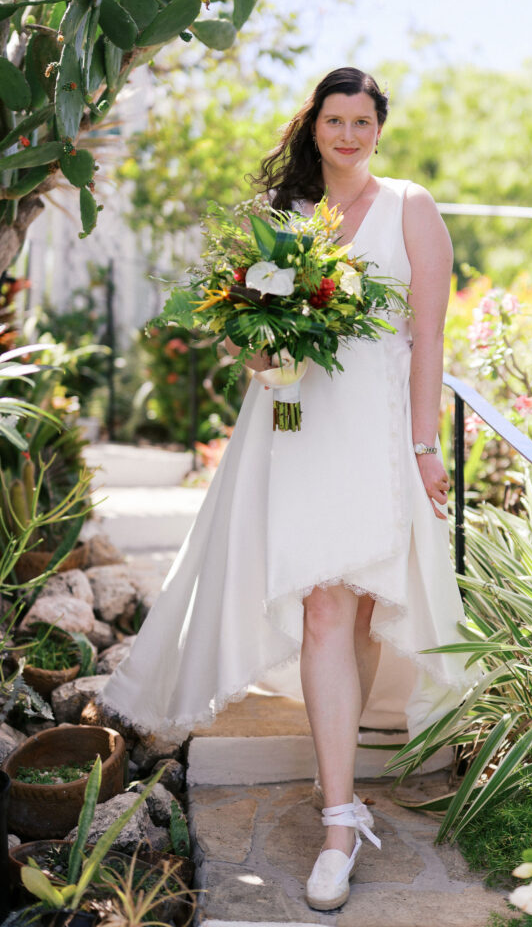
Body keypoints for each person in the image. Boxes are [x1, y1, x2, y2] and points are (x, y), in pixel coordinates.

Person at [100, 67, 480, 912]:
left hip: (375, 438)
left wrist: (424, 448)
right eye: (334, 120)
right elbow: (258, 349)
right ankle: (340, 819)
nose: (347, 134)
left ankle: (334, 767)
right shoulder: (288, 222)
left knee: (359, 610)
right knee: (322, 608)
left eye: (361, 121)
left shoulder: (411, 208)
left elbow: (427, 340)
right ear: (314, 128)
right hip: (296, 433)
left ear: (379, 128)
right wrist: (261, 341)